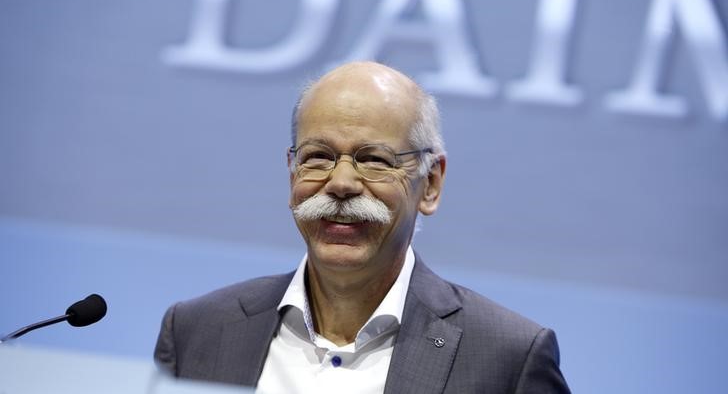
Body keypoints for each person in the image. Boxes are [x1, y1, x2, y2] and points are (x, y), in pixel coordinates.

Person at [154, 61, 570, 393]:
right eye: (318, 156)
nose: (341, 183)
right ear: (291, 172)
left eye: (375, 160)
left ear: (430, 184)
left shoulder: (506, 358)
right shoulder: (200, 329)